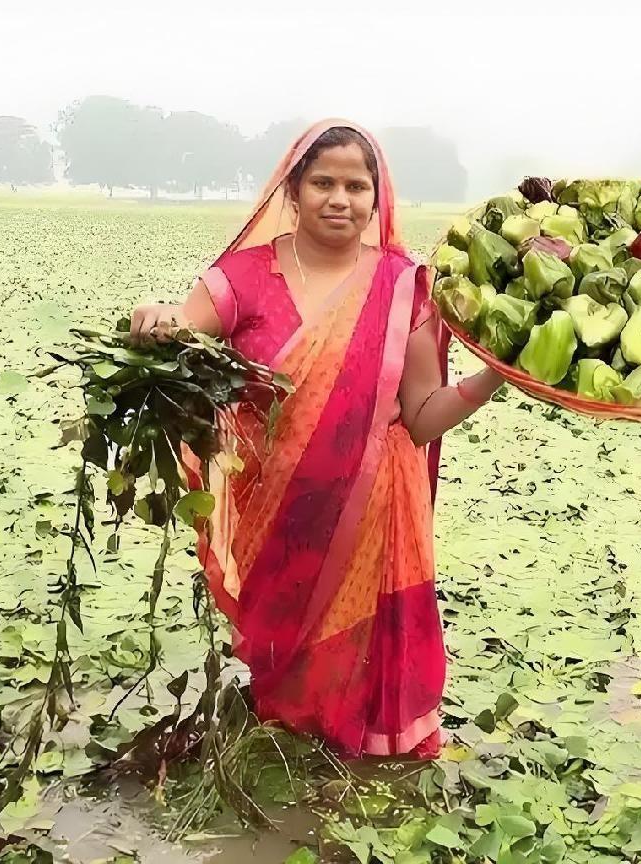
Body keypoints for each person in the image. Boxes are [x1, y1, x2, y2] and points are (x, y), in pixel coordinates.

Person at [129, 120, 503, 759]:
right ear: (293, 191)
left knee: (371, 669)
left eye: (356, 186)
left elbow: (421, 417)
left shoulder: (403, 286)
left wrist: (494, 374)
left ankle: (366, 757)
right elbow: (181, 341)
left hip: (373, 512)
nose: (340, 199)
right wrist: (158, 322)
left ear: (377, 199)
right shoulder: (242, 279)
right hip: (277, 514)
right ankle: (290, 747)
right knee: (287, 677)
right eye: (323, 183)